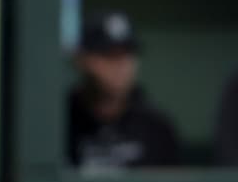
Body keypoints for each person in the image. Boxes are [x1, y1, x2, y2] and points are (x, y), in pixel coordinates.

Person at [68, 12, 180, 171]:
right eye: (109, 55)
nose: (121, 66)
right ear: (83, 60)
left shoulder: (156, 127)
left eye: (128, 55)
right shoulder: (63, 122)